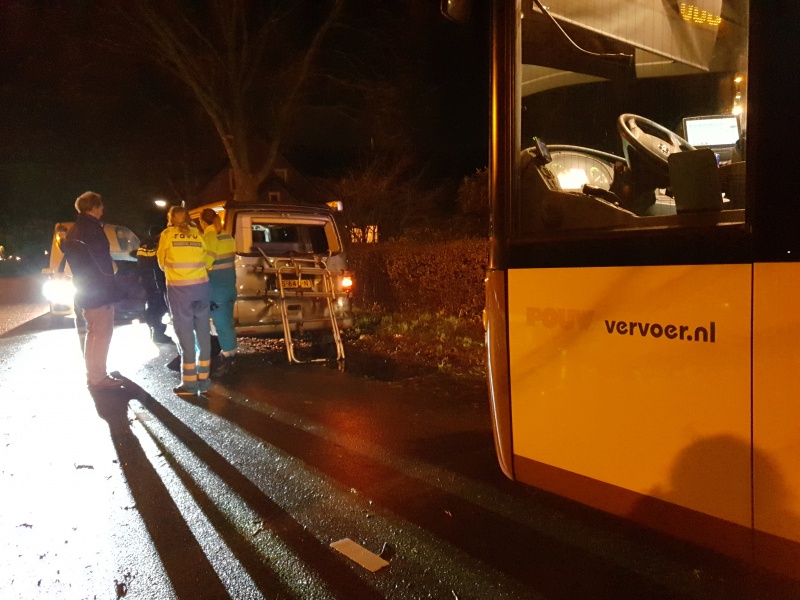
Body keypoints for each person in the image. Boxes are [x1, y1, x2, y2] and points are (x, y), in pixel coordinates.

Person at [60, 191, 124, 390]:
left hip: (84, 289)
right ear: (94, 208)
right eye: (101, 206)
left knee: (93, 333)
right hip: (99, 291)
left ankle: (94, 373)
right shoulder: (92, 231)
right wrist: (113, 286)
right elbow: (104, 265)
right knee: (102, 334)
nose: (103, 209)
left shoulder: (75, 230)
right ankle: (98, 377)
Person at [157, 206, 213, 396]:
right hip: (202, 288)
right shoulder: (198, 234)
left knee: (186, 335)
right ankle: (204, 381)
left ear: (171, 218)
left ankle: (189, 384)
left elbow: (161, 262)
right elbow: (207, 260)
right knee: (204, 334)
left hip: (180, 290)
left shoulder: (167, 234)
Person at [198, 208, 238, 375]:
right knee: (227, 323)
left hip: (217, 287)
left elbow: (208, 261)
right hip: (229, 284)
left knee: (221, 324)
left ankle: (228, 358)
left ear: (202, 222)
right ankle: (231, 353)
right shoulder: (227, 234)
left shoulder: (209, 236)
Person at [136, 225, 173, 344]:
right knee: (159, 308)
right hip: (156, 282)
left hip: (149, 282)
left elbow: (142, 264)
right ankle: (158, 333)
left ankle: (155, 330)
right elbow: (157, 264)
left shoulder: (143, 245)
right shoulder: (155, 245)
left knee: (154, 307)